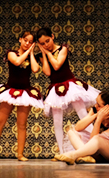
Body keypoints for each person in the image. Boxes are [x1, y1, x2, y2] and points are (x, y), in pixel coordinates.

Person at [36, 26, 100, 155]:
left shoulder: (63, 48)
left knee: (83, 114)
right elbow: (47, 72)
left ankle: (95, 147)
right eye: (42, 44)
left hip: (71, 86)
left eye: (47, 41)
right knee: (57, 121)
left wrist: (48, 53)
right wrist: (44, 54)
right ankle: (61, 152)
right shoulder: (42, 55)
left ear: (52, 36)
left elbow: (57, 65)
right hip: (55, 88)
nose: (46, 45)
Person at [0, 30, 43, 161]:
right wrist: (28, 51)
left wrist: (31, 53)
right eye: (25, 40)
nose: (27, 43)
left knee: (22, 124)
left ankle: (20, 154)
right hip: (10, 91)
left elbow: (35, 69)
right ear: (20, 39)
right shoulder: (11, 53)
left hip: (25, 92)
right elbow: (17, 62)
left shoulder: (31, 56)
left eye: (30, 42)